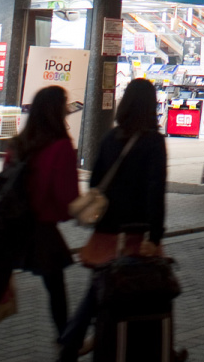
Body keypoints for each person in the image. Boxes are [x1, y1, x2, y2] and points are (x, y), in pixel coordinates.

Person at [58, 79, 168, 362]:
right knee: (138, 291)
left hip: (106, 230)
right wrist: (154, 237)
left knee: (100, 288)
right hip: (134, 234)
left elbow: (96, 182)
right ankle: (132, 346)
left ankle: (74, 343)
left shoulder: (111, 137)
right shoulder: (153, 142)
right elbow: (155, 191)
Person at [0, 84, 79, 362]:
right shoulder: (61, 146)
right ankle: (65, 344)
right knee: (56, 288)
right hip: (41, 228)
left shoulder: (18, 143)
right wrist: (75, 213)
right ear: (57, 111)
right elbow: (66, 195)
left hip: (7, 226)